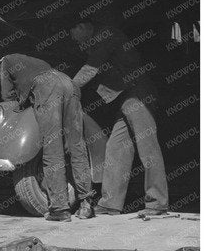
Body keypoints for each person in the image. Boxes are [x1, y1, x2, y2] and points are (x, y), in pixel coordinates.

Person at [69, 13, 169, 217]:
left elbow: (90, 69)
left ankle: (157, 202)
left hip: (137, 94)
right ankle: (110, 204)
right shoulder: (98, 38)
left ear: (83, 26)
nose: (72, 38)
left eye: (72, 32)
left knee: (147, 147)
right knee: (116, 148)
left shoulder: (106, 35)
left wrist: (66, 88)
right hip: (124, 97)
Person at [0, 52, 94, 221]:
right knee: (76, 146)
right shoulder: (37, 61)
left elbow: (8, 98)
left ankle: (60, 209)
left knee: (52, 148)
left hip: (47, 88)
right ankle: (86, 204)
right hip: (69, 83)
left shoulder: (5, 61)